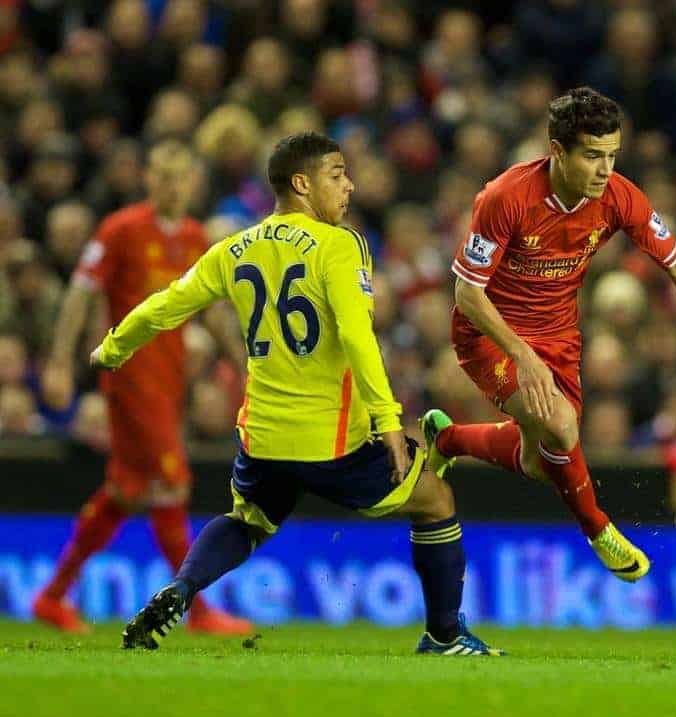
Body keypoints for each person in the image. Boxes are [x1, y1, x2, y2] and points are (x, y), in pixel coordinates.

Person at [95, 132, 502, 655]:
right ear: (302, 183)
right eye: (337, 174)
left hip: (263, 438)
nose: (349, 185)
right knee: (434, 499)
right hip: (334, 440)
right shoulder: (341, 244)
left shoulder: (232, 248)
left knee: (249, 521)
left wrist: (111, 349)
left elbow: (165, 305)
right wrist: (386, 421)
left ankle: (183, 586)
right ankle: (444, 634)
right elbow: (358, 335)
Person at [421, 87, 676, 581]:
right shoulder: (505, 197)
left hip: (559, 335)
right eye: (592, 156)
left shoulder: (620, 197)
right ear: (558, 151)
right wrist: (522, 354)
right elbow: (467, 293)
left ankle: (448, 439)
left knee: (538, 462)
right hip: (490, 333)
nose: (605, 169)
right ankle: (598, 529)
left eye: (612, 155)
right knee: (563, 428)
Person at [35, 139, 251, 636]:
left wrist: (240, 359)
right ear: (147, 179)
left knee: (126, 491)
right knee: (172, 483)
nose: (170, 185)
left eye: (179, 176)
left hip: (170, 378)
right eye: (160, 174)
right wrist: (60, 364)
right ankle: (196, 611)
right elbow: (80, 293)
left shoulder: (196, 237)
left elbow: (212, 307)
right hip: (130, 378)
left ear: (192, 183)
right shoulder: (120, 230)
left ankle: (51, 597)